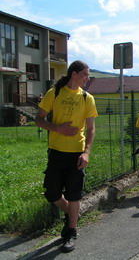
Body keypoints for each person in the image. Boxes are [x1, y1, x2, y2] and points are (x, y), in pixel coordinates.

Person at [35, 60, 98, 253]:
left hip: (76, 155)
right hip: (56, 152)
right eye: (85, 74)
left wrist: (87, 152)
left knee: (74, 195)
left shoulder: (87, 98)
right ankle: (72, 214)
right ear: (74, 74)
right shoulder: (54, 93)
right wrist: (57, 128)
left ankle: (71, 231)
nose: (88, 78)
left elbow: (91, 129)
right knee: (51, 193)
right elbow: (38, 118)